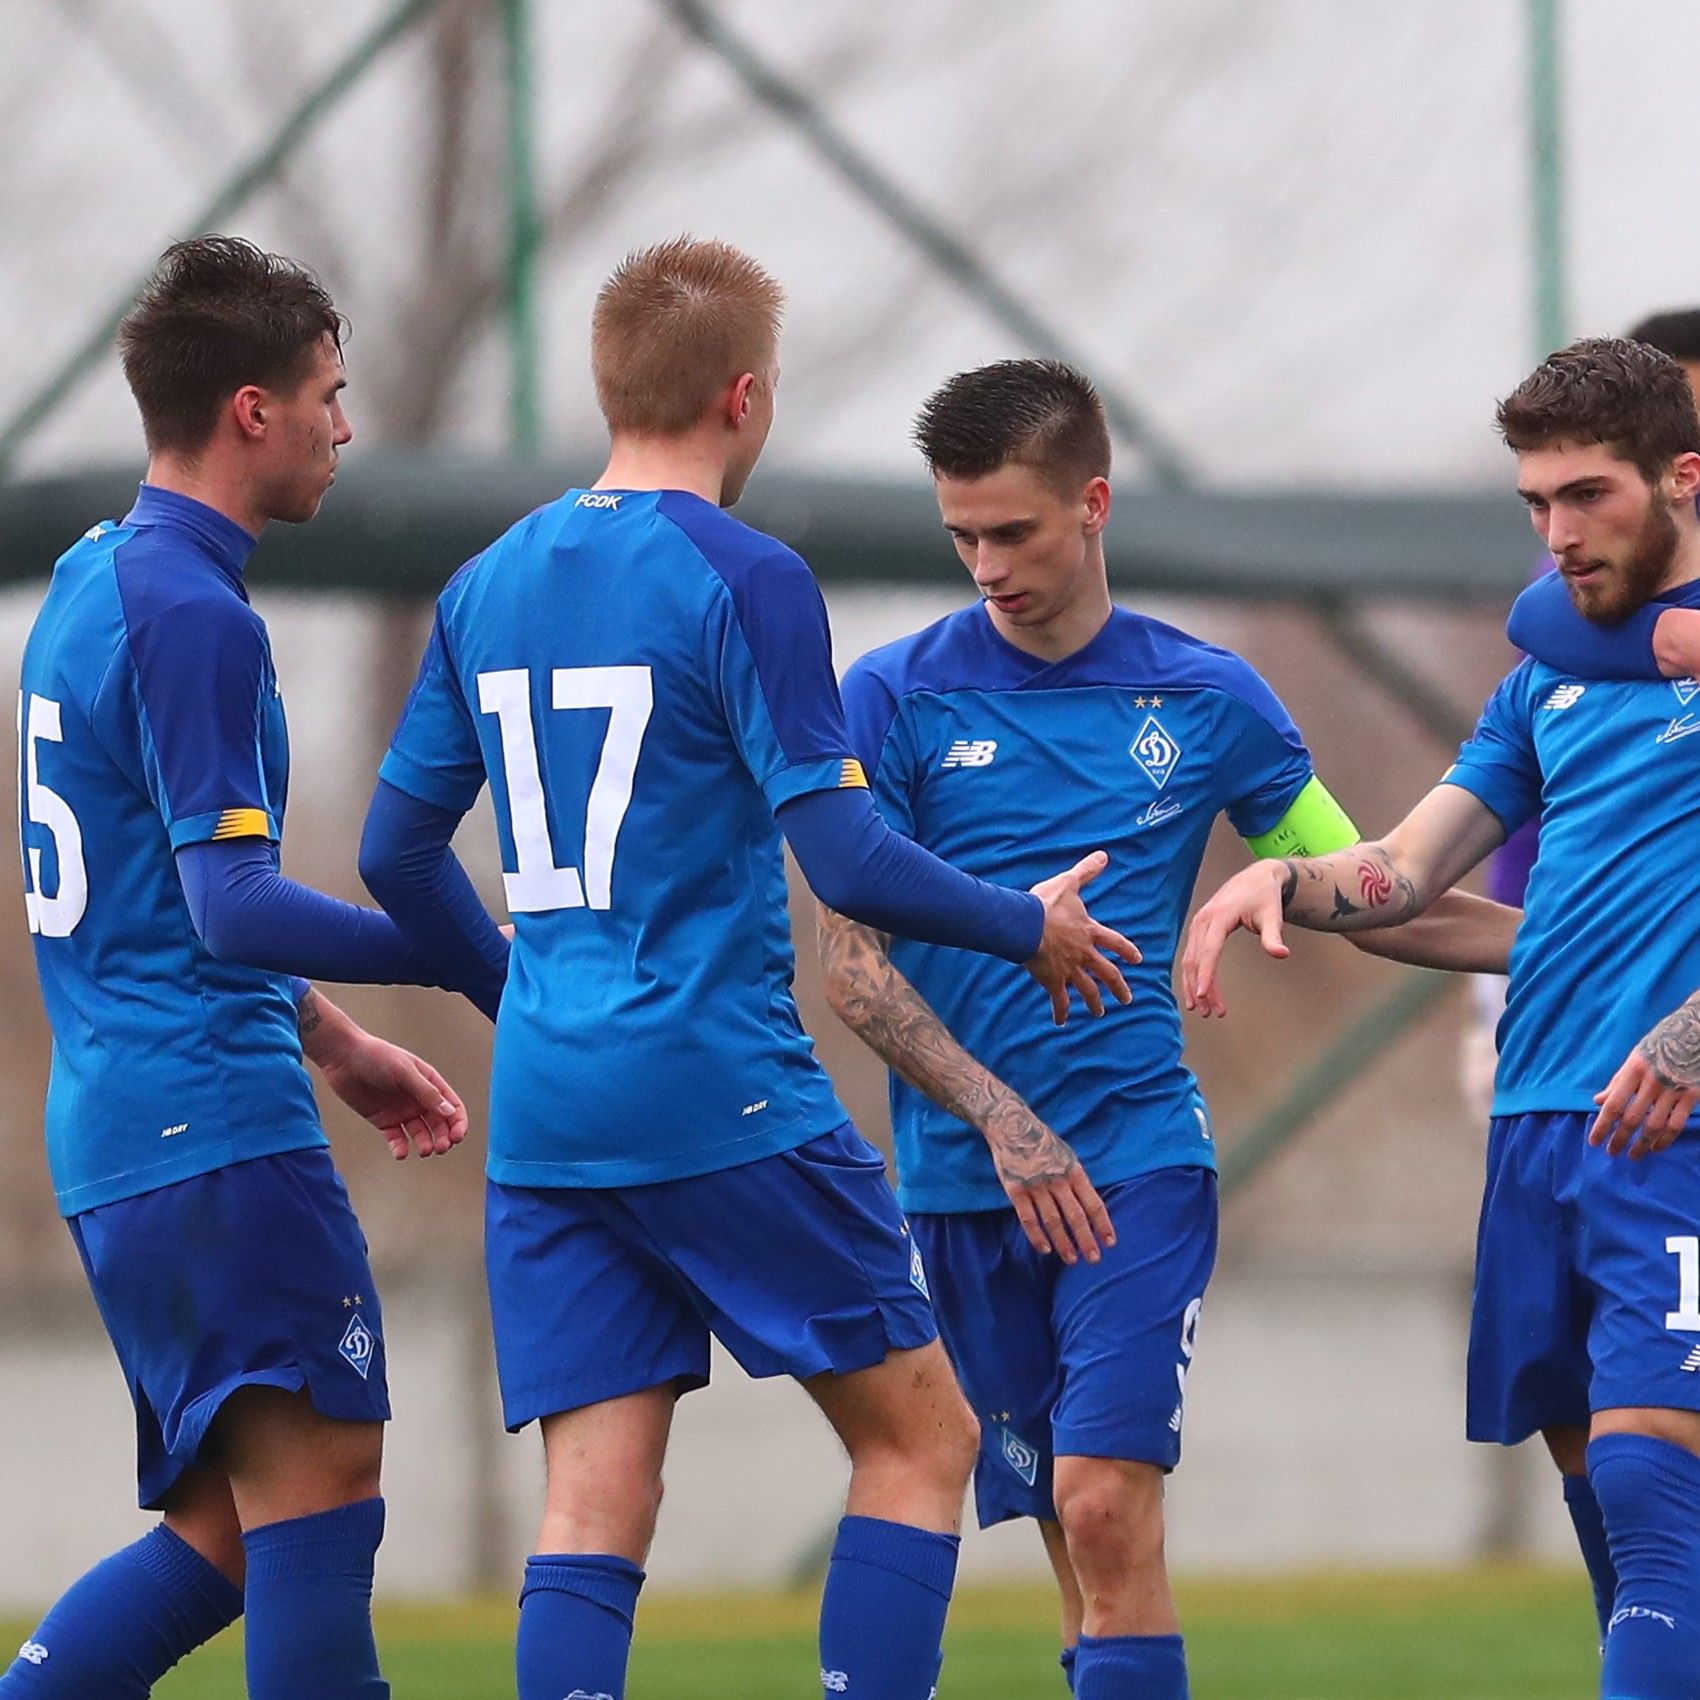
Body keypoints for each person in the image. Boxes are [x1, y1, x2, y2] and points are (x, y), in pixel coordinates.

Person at [356, 238, 1139, 1700]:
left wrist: (517, 994)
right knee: (922, 1440)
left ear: (608, 387)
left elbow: (398, 859)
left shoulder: (487, 580)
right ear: (745, 395)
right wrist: (1025, 923)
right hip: (715, 1090)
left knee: (592, 1505)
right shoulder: (748, 575)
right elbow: (845, 862)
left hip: (549, 1112)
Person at [814, 358, 1519, 1698]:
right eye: (960, 535)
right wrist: (1001, 1118)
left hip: (1138, 1161)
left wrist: (1561, 953)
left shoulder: (1206, 700)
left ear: (1093, 503)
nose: (985, 564)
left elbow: (1377, 890)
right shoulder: (892, 698)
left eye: (1012, 531)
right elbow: (850, 969)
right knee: (1077, 1560)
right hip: (967, 1182)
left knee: (1103, 1507)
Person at [5, 237, 494, 1700]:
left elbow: (162, 900)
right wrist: (470, 959)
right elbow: (229, 903)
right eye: (329, 397)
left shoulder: (98, 580)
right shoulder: (195, 614)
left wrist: (336, 1039)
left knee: (226, 1537)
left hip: (123, 1129)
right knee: (326, 1497)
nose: (348, 428)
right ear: (251, 412)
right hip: (210, 1130)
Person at [1182, 337, 1700, 1700]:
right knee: (1624, 1529)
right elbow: (1406, 875)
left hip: (1677, 1124)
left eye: (1586, 494)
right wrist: (1285, 877)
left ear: (1682, 476)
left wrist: (1688, 1036)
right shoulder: (1547, 679)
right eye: (1536, 502)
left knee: (1655, 1479)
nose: (1558, 533)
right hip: (1539, 1131)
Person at [1462, 308, 1700, 1123]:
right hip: (1541, 952)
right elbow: (1537, 616)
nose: (1562, 528)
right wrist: (1671, 637)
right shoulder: (1594, 568)